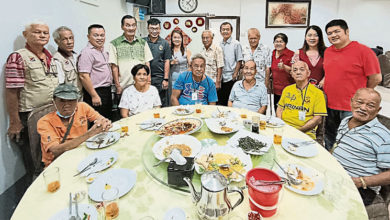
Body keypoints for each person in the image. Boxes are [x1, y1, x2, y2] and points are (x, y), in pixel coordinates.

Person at [5, 21, 58, 179]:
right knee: (34, 157)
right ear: (25, 35)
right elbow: (12, 91)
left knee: (50, 151)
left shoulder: (50, 57)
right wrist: (14, 122)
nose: (42, 35)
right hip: (30, 115)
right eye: (37, 32)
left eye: (45, 33)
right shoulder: (18, 57)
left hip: (51, 111)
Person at [323, 19, 382, 150]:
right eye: (329, 33)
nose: (333, 35)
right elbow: (331, 73)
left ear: (347, 31)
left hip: (351, 106)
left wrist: (364, 95)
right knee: (330, 135)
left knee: (350, 138)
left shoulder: (364, 51)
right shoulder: (328, 52)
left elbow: (376, 78)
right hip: (329, 103)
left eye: (337, 31)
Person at [332, 88, 390, 218]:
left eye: (370, 105)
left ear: (378, 110)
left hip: (361, 190)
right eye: (359, 102)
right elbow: (338, 145)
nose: (363, 108)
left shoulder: (383, 136)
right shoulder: (345, 121)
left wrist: (361, 182)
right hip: (335, 178)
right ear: (352, 102)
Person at [37, 84, 111, 167]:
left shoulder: (82, 107)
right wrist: (90, 133)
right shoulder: (44, 122)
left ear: (77, 100)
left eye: (71, 100)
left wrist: (104, 124)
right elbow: (55, 150)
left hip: (81, 154)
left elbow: (102, 120)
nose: (67, 104)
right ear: (54, 101)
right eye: (62, 100)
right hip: (58, 163)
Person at [276, 61, 327, 139]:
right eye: (295, 70)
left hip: (304, 133)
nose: (298, 72)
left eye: (302, 69)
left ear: (308, 73)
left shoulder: (318, 93)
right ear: (292, 74)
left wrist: (297, 131)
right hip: (284, 129)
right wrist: (281, 125)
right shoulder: (287, 89)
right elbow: (279, 109)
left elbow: (318, 119)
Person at [109, 15, 153, 96]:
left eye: (133, 25)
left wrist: (148, 81)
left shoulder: (143, 42)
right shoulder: (114, 44)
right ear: (122, 27)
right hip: (124, 86)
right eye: (127, 25)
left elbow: (147, 64)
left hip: (142, 84)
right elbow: (114, 67)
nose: (131, 28)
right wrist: (118, 86)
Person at [78, 24, 113, 120]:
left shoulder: (103, 51)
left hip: (106, 90)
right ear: (88, 37)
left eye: (102, 35)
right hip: (96, 92)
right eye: (96, 35)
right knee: (98, 122)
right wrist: (94, 95)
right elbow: (83, 76)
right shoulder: (87, 52)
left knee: (107, 119)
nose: (100, 38)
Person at [144, 18, 171, 107]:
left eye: (156, 28)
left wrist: (166, 79)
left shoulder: (165, 43)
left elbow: (167, 61)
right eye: (152, 28)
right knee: (147, 103)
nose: (154, 31)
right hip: (144, 78)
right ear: (148, 29)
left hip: (160, 79)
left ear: (160, 29)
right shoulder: (142, 42)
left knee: (161, 103)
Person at [267, 33, 295, 111]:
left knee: (287, 112)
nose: (278, 44)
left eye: (281, 41)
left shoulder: (291, 54)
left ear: (285, 43)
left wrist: (284, 67)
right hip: (275, 89)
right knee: (277, 110)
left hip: (288, 89)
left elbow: (295, 71)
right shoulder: (272, 53)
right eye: (276, 41)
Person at [52, 26, 82, 94]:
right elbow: (60, 86)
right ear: (57, 41)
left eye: (71, 38)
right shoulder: (57, 60)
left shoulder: (76, 56)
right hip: (69, 98)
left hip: (81, 96)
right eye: (65, 39)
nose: (69, 42)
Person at [219, 22, 243, 106]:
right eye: (223, 29)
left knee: (230, 100)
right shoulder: (219, 44)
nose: (225, 31)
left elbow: (239, 60)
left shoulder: (236, 44)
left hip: (231, 77)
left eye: (227, 29)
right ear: (220, 31)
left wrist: (235, 74)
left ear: (231, 31)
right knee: (221, 100)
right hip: (221, 77)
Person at [169, 29, 191, 105]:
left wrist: (185, 74)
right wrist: (171, 63)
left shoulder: (186, 50)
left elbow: (191, 66)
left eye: (179, 37)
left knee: (184, 99)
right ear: (171, 39)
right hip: (172, 79)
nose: (177, 39)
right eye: (175, 37)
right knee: (173, 100)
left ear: (182, 39)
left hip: (184, 79)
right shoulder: (168, 50)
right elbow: (164, 65)